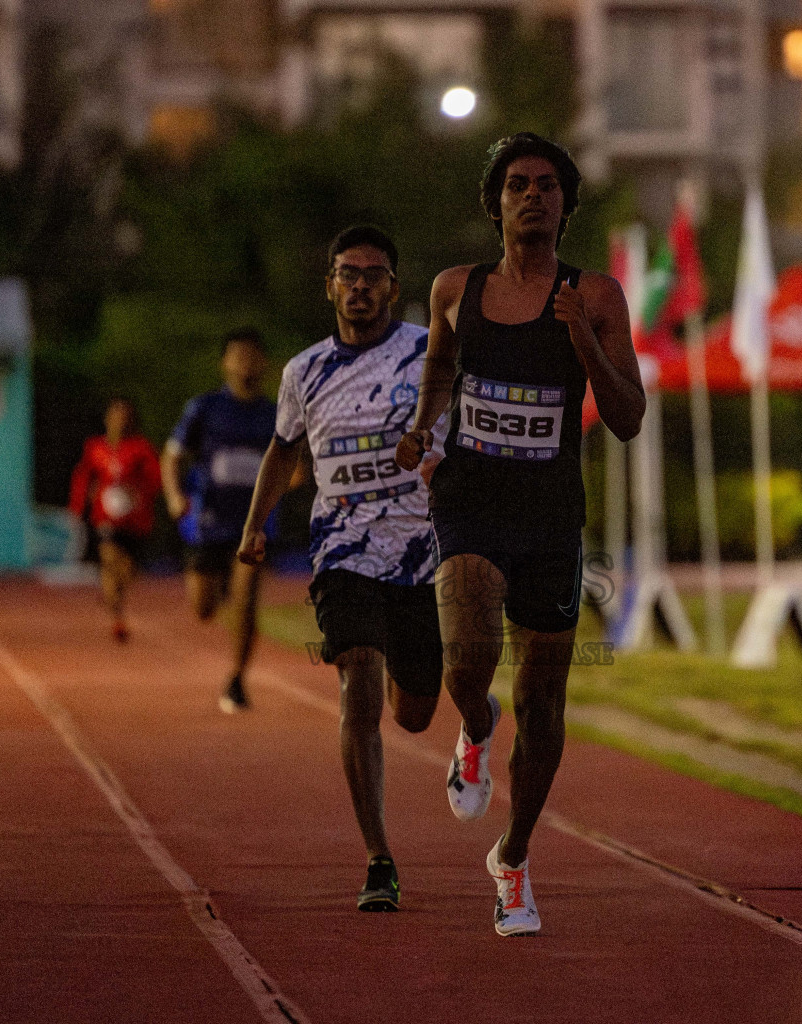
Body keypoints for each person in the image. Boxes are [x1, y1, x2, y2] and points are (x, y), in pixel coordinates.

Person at [395, 133, 645, 936]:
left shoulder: (596, 296)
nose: (531, 195)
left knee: (543, 706)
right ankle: (473, 724)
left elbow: (631, 417)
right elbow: (439, 368)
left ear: (566, 204)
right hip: (468, 498)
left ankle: (513, 856)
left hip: (549, 517)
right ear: (496, 202)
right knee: (465, 661)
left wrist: (581, 344)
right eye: (516, 185)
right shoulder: (453, 289)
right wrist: (421, 426)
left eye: (545, 185)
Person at [238, 225, 446, 912]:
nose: (360, 286)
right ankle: (378, 858)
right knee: (359, 678)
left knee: (413, 714)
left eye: (373, 275)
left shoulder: (425, 354)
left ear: (393, 287)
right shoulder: (304, 372)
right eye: (347, 274)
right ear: (330, 285)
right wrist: (256, 525)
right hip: (343, 552)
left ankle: (426, 690)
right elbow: (281, 450)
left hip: (420, 555)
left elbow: (457, 444)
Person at [162, 328, 280, 713]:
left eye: (252, 355)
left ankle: (237, 679)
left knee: (247, 600)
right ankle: (223, 589)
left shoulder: (276, 414)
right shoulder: (204, 408)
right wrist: (174, 495)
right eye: (238, 355)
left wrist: (294, 479)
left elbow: (294, 462)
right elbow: (173, 456)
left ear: (263, 363)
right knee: (204, 609)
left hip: (254, 524)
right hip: (208, 521)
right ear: (225, 363)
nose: (245, 362)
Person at [69, 397, 163, 643]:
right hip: (106, 518)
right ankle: (118, 619)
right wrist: (78, 507)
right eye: (115, 415)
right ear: (107, 418)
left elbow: (156, 478)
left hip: (135, 520)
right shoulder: (95, 448)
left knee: (127, 571)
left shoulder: (140, 448)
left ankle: (113, 594)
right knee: (110, 559)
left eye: (125, 416)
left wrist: (138, 491)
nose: (120, 421)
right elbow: (84, 478)